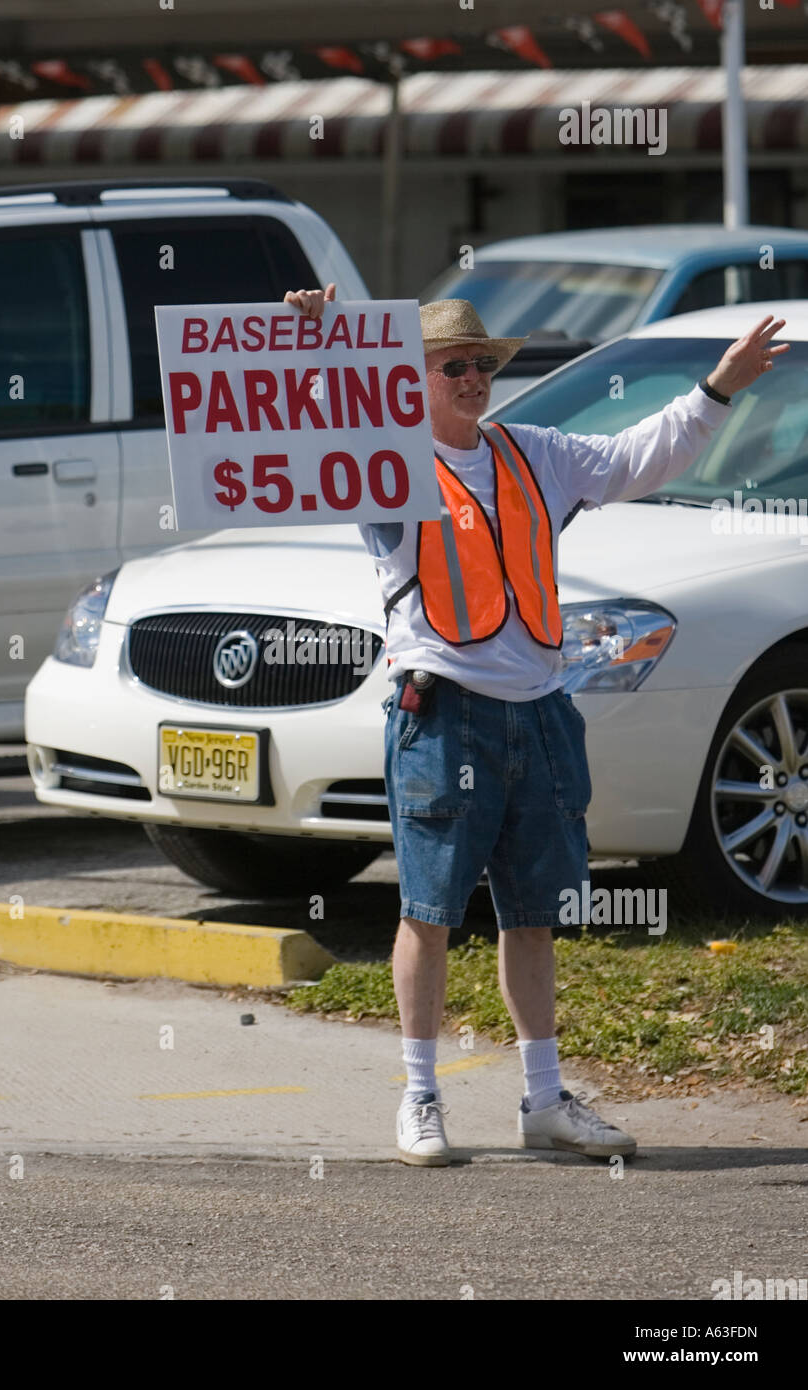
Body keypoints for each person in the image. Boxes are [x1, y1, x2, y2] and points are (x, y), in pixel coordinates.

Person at [284, 282, 789, 1166]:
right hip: (442, 713)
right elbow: (320, 432)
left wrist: (719, 388)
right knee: (428, 912)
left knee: (534, 916)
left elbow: (642, 454)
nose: (475, 377)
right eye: (456, 366)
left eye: (484, 363)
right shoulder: (388, 468)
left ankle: (544, 1099)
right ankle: (420, 1098)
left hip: (540, 712)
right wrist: (317, 342)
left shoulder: (534, 454)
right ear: (412, 380)